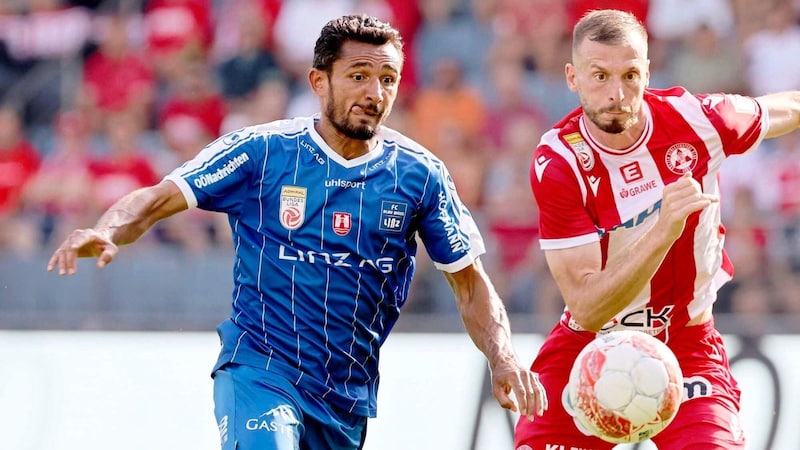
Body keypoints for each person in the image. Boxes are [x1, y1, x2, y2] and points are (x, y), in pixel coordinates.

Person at [47, 14, 547, 450]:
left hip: (345, 397)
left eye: (388, 79)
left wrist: (503, 358)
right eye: (358, 76)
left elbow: (469, 282)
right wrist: (107, 228)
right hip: (261, 368)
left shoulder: (419, 175)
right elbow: (158, 197)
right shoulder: (264, 152)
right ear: (319, 81)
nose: (374, 94)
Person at [514, 9, 800, 450]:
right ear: (572, 77)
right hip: (589, 342)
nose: (617, 93)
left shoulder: (698, 120)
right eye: (600, 76)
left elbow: (778, 109)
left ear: (648, 71)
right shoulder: (560, 163)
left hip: (686, 343)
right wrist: (664, 228)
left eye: (630, 75)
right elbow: (587, 307)